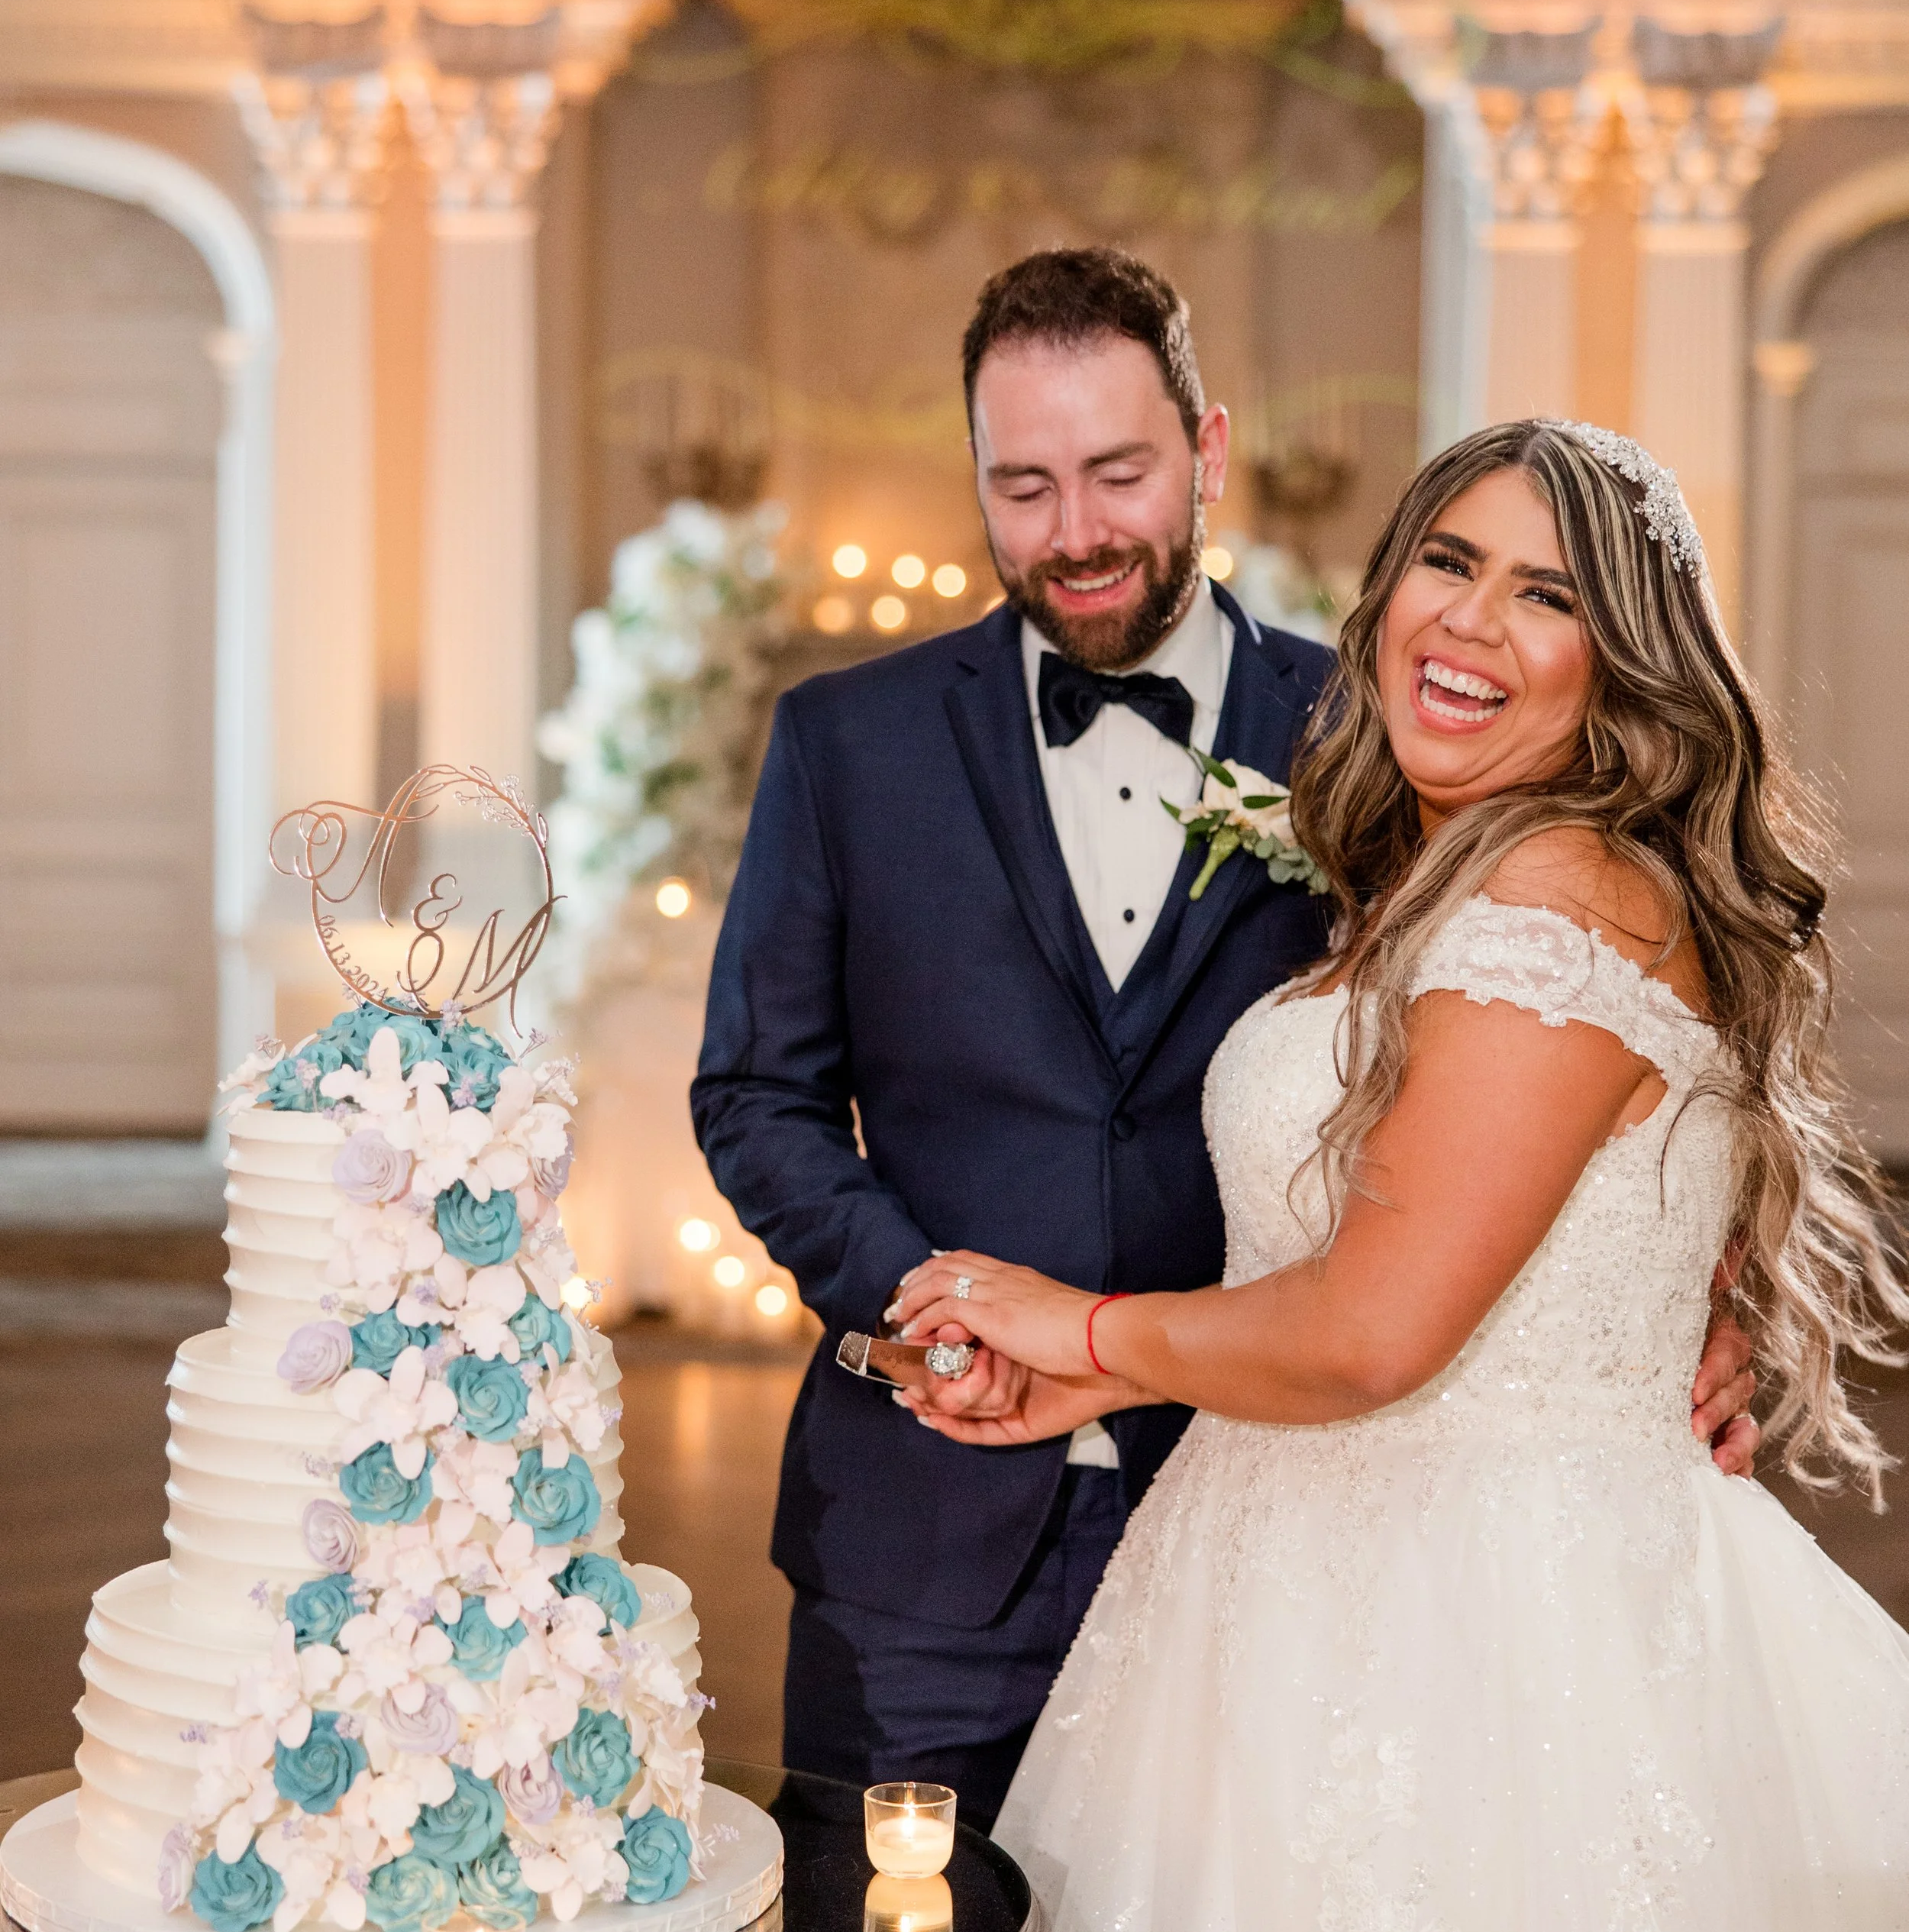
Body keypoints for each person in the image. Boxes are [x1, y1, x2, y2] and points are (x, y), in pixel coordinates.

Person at [892, 418, 1909, 1932]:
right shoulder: (1453, 880)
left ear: (1625, 669)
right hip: (1287, 1591)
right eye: (1447, 562)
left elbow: (1372, 1331)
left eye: (1547, 596)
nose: (1470, 622)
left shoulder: (1561, 891)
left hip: (1484, 1656)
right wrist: (1116, 1374)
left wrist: (1071, 1318)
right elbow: (1398, 1267)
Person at [693, 252, 1755, 1827]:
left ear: (1207, 449)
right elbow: (756, 1095)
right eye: (1024, 486)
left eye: (1119, 472)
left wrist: (1692, 1307)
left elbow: (1584, 1052)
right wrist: (940, 1306)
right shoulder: (849, 739)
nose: (1076, 531)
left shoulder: (1394, 730)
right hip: (923, 1521)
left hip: (1288, 1518)